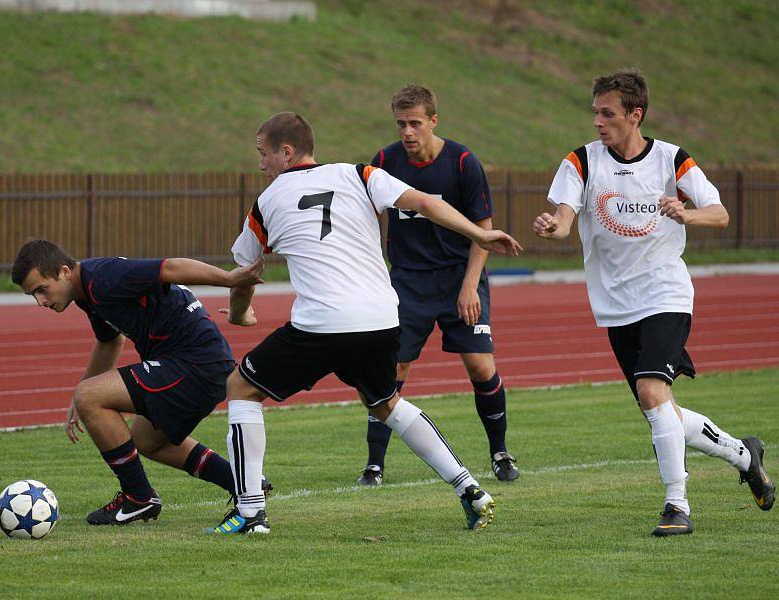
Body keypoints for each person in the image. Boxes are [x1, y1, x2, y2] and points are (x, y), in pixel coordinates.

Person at [210, 111, 522, 536]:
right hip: (380, 318)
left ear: (287, 151)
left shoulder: (265, 203)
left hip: (323, 323)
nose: (261, 164)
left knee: (241, 389)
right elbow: (428, 202)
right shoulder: (360, 173)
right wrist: (479, 234)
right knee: (385, 402)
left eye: (263, 155)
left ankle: (249, 512)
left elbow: (246, 272)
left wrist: (241, 312)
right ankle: (469, 489)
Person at [532, 70, 775, 536]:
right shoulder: (580, 161)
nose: (598, 122)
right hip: (616, 302)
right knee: (661, 408)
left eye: (608, 114)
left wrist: (687, 212)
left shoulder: (671, 159)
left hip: (665, 291)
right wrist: (552, 227)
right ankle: (745, 455)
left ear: (634, 114)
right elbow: (564, 218)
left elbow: (719, 213)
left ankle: (676, 505)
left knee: (650, 392)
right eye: (595, 113)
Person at [11, 239, 268, 525]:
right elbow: (109, 342)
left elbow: (170, 267)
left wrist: (230, 279)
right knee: (147, 440)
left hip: (194, 364)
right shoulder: (87, 292)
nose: (40, 301)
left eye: (41, 290)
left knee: (91, 397)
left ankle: (138, 497)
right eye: (32, 295)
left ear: (63, 272)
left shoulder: (103, 277)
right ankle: (244, 484)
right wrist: (79, 398)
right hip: (200, 365)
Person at [357, 84, 518, 488]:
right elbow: (370, 214)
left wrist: (469, 286)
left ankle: (499, 453)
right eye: (400, 124)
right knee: (391, 370)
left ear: (433, 121)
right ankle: (374, 465)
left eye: (415, 123)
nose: (407, 133)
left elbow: (484, 230)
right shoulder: (385, 160)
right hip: (407, 283)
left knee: (480, 366)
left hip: (457, 276)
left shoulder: (462, 161)